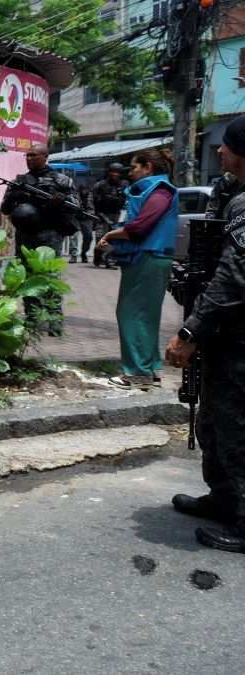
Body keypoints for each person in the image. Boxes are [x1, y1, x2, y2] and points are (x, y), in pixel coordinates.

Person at [165, 116, 245, 554]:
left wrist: (190, 329)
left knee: (237, 427)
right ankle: (223, 499)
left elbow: (235, 277)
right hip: (226, 334)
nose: (218, 150)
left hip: (237, 336)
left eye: (227, 145)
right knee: (215, 419)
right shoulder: (230, 193)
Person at [97, 150, 178, 389]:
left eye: (133, 167)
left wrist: (112, 233)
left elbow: (140, 227)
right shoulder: (153, 190)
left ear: (148, 167)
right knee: (145, 316)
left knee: (132, 314)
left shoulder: (160, 190)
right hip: (146, 257)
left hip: (149, 257)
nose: (129, 172)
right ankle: (150, 371)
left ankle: (135, 374)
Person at [0, 143, 79, 336]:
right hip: (25, 235)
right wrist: (13, 197)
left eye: (33, 155)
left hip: (50, 234)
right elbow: (5, 208)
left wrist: (59, 202)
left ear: (45, 157)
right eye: (27, 155)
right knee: (27, 278)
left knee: (50, 277)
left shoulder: (62, 180)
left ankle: (55, 319)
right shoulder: (20, 181)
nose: (29, 159)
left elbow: (76, 205)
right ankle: (33, 318)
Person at [90, 163, 129, 268]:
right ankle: (98, 257)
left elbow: (127, 200)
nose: (115, 174)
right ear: (109, 172)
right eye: (113, 171)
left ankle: (108, 260)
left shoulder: (123, 186)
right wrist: (97, 215)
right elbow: (93, 202)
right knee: (100, 237)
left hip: (116, 214)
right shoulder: (100, 185)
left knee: (113, 238)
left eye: (117, 172)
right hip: (101, 215)